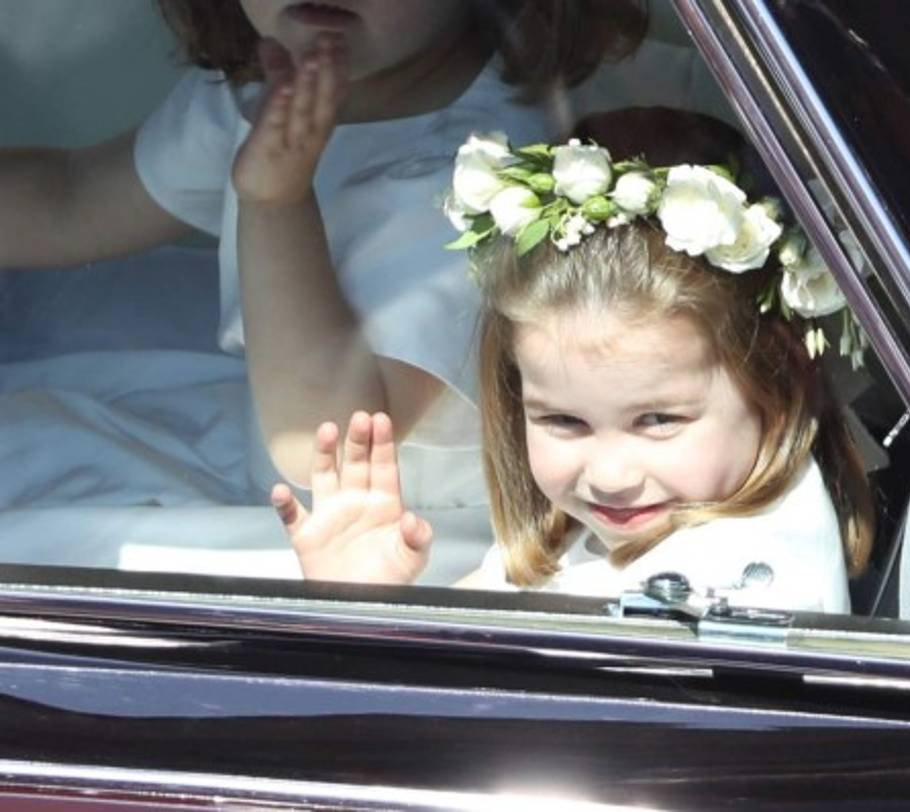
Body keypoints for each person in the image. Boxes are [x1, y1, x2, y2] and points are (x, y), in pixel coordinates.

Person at [0, 0, 646, 502]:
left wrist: (275, 204)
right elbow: (71, 200)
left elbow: (329, 445)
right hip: (273, 476)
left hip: (401, 543)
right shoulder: (269, 83)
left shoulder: (488, 173)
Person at [273, 114, 875, 612]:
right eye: (564, 421)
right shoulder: (633, 526)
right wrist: (362, 602)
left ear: (777, 383)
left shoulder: (722, 586)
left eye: (658, 420)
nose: (609, 475)